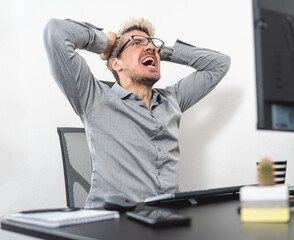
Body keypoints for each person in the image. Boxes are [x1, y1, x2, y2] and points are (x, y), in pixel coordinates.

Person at [43, 18, 231, 208]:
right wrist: (106, 42)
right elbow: (56, 32)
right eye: (137, 42)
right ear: (116, 64)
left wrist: (160, 52)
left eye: (151, 43)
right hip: (111, 223)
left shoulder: (173, 99)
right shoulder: (94, 97)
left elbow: (220, 64)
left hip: (165, 221)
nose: (149, 47)